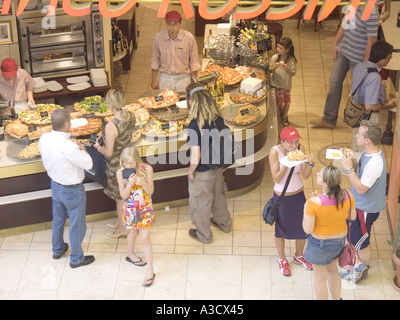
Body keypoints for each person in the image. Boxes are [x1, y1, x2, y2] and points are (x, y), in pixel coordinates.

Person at [38, 108, 95, 268]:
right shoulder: (68, 146)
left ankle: (57, 249)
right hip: (72, 190)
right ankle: (76, 258)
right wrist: (83, 149)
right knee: (77, 224)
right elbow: (88, 164)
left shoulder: (44, 138)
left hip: (55, 186)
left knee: (58, 220)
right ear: (66, 124)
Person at [310, 5, 379, 129]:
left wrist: (365, 64)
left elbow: (371, 41)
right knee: (334, 83)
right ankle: (328, 119)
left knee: (358, 92)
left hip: (358, 59)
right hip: (343, 53)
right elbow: (345, 24)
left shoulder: (371, 12)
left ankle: (358, 123)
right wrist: (335, 43)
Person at [186, 82, 232, 244]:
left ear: (192, 102)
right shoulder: (217, 117)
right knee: (218, 197)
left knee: (201, 203)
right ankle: (224, 223)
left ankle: (204, 235)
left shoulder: (195, 125)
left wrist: (191, 171)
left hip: (203, 172)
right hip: (218, 168)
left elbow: (195, 154)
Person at [341, 120, 386, 283]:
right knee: (354, 237)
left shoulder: (375, 162)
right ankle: (357, 268)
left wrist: (348, 168)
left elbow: (361, 188)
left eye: (359, 134)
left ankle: (360, 269)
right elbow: (359, 169)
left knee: (360, 241)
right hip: (359, 205)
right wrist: (349, 160)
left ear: (368, 140)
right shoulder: (368, 152)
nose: (356, 135)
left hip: (365, 208)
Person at [303, 165, 356, 300]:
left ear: (325, 184)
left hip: (319, 245)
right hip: (339, 242)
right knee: (333, 271)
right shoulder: (348, 195)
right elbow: (353, 217)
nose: (317, 173)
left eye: (320, 174)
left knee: (320, 278)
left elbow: (307, 229)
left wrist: (305, 208)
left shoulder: (313, 203)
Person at [269, 126, 314, 276]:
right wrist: (286, 165)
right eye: (291, 143)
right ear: (282, 142)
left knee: (303, 228)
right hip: (282, 197)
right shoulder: (275, 152)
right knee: (280, 229)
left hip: (298, 195)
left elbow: (305, 175)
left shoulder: (300, 148)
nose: (295, 146)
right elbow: (276, 178)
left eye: (296, 142)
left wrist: (309, 164)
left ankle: (299, 255)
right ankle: (282, 259)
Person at [93, 89, 136, 238]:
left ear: (110, 105)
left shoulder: (111, 125)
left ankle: (123, 229)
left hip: (115, 166)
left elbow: (109, 152)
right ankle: (121, 221)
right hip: (128, 161)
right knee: (123, 197)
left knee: (120, 200)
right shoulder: (131, 116)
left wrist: (99, 147)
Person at [117, 144, 155, 287]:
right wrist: (129, 185)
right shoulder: (120, 173)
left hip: (144, 207)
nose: (128, 165)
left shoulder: (147, 169)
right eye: (125, 162)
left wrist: (143, 182)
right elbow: (123, 195)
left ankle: (150, 270)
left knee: (145, 238)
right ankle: (130, 254)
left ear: (137, 161)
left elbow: (151, 191)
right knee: (132, 233)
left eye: (131, 162)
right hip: (130, 209)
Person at [349, 40, 395, 152]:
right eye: (389, 57)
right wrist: (387, 105)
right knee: (368, 150)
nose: (391, 59)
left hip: (356, 113)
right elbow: (369, 106)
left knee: (357, 146)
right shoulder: (374, 77)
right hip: (369, 117)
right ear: (381, 59)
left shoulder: (360, 66)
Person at [150, 10, 201, 92]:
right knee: (165, 103)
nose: (172, 28)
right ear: (166, 24)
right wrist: (153, 80)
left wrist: (194, 83)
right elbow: (155, 61)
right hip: (165, 78)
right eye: (169, 24)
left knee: (183, 103)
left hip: (183, 79)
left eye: (175, 24)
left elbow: (194, 63)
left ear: (180, 24)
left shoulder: (189, 38)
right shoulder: (159, 38)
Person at [269, 37, 297, 127]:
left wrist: (287, 69)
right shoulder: (274, 57)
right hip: (276, 84)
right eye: (277, 47)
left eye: (281, 48)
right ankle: (281, 110)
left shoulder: (291, 60)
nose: (278, 49)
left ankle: (285, 115)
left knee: (287, 100)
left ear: (287, 50)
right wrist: (274, 67)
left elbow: (293, 73)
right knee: (279, 101)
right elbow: (270, 70)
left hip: (286, 85)